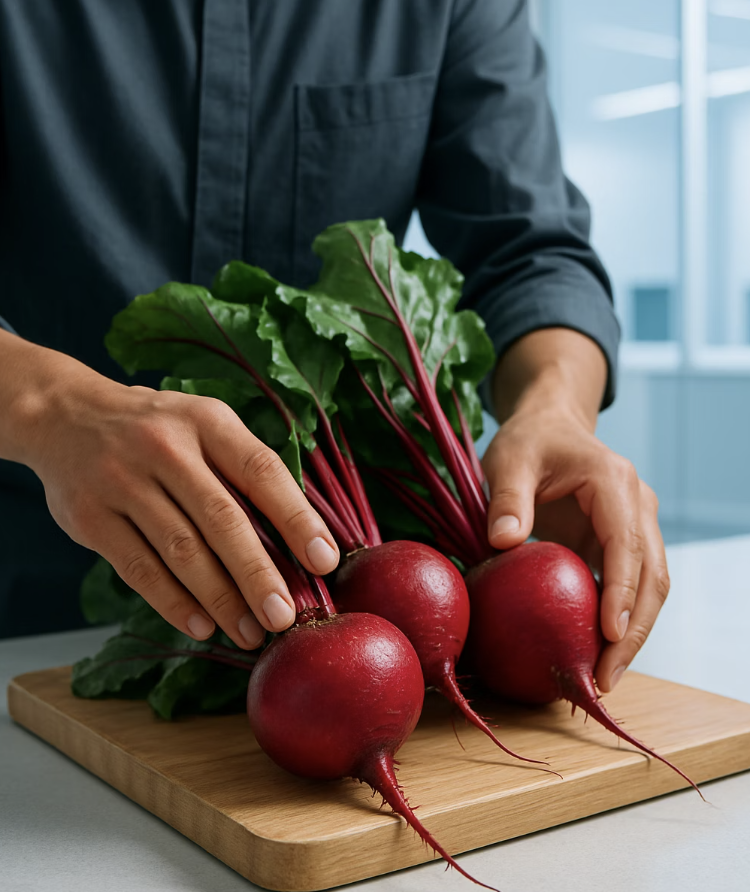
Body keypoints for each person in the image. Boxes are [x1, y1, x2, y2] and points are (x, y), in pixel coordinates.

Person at [0, 0, 668, 694]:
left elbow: (531, 253)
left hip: (373, 609)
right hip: (29, 587)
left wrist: (554, 407)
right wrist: (45, 408)